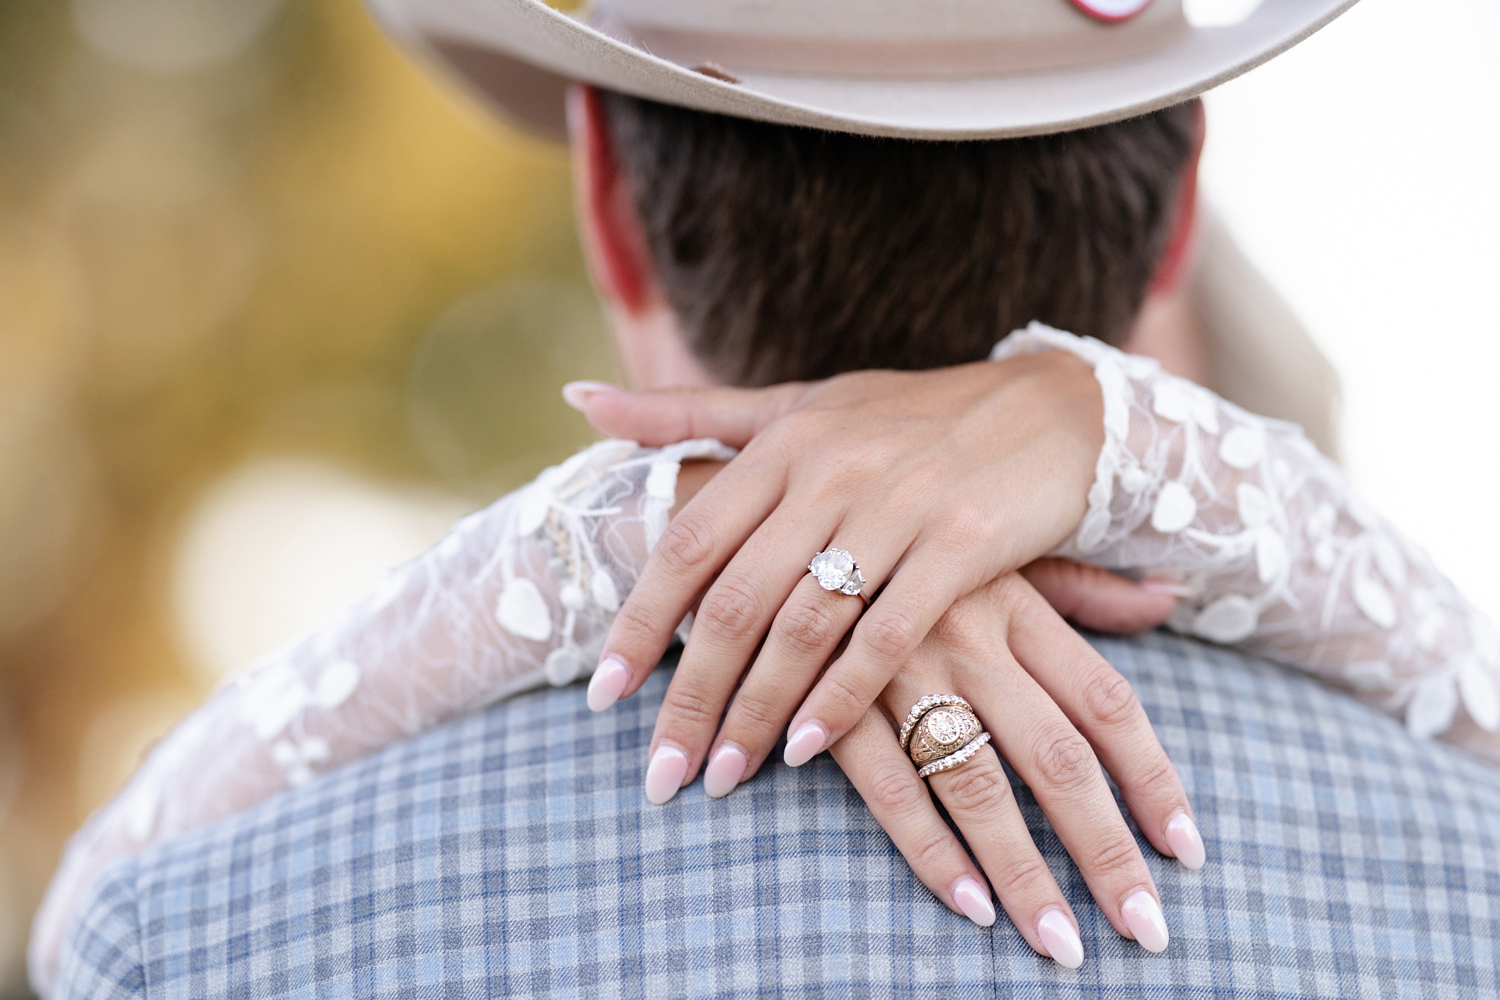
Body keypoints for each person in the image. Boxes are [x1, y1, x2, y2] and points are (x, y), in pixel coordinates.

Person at [38, 0, 1500, 995]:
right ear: (1182, 210)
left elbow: (88, 919)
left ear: (606, 203)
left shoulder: (191, 935)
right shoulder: (1468, 868)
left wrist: (613, 538)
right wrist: (1127, 441)